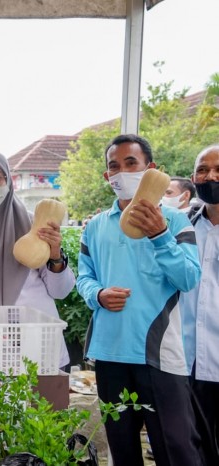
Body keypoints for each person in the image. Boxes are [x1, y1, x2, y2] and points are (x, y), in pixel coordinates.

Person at [76, 134, 203, 466]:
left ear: (151, 169)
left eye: (131, 163)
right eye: (114, 166)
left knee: (176, 450)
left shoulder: (174, 220)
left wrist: (160, 235)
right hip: (109, 353)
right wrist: (98, 295)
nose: (121, 172)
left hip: (158, 354)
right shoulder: (95, 227)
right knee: (122, 450)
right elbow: (84, 278)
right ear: (107, 176)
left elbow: (188, 279)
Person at [0, 150, 75, 369]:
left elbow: (60, 291)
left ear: (8, 181)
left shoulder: (35, 225)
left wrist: (55, 254)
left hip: (39, 346)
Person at [181, 144, 219, 464]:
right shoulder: (183, 227)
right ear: (193, 178)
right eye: (203, 170)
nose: (210, 177)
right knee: (192, 449)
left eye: (218, 170)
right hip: (188, 359)